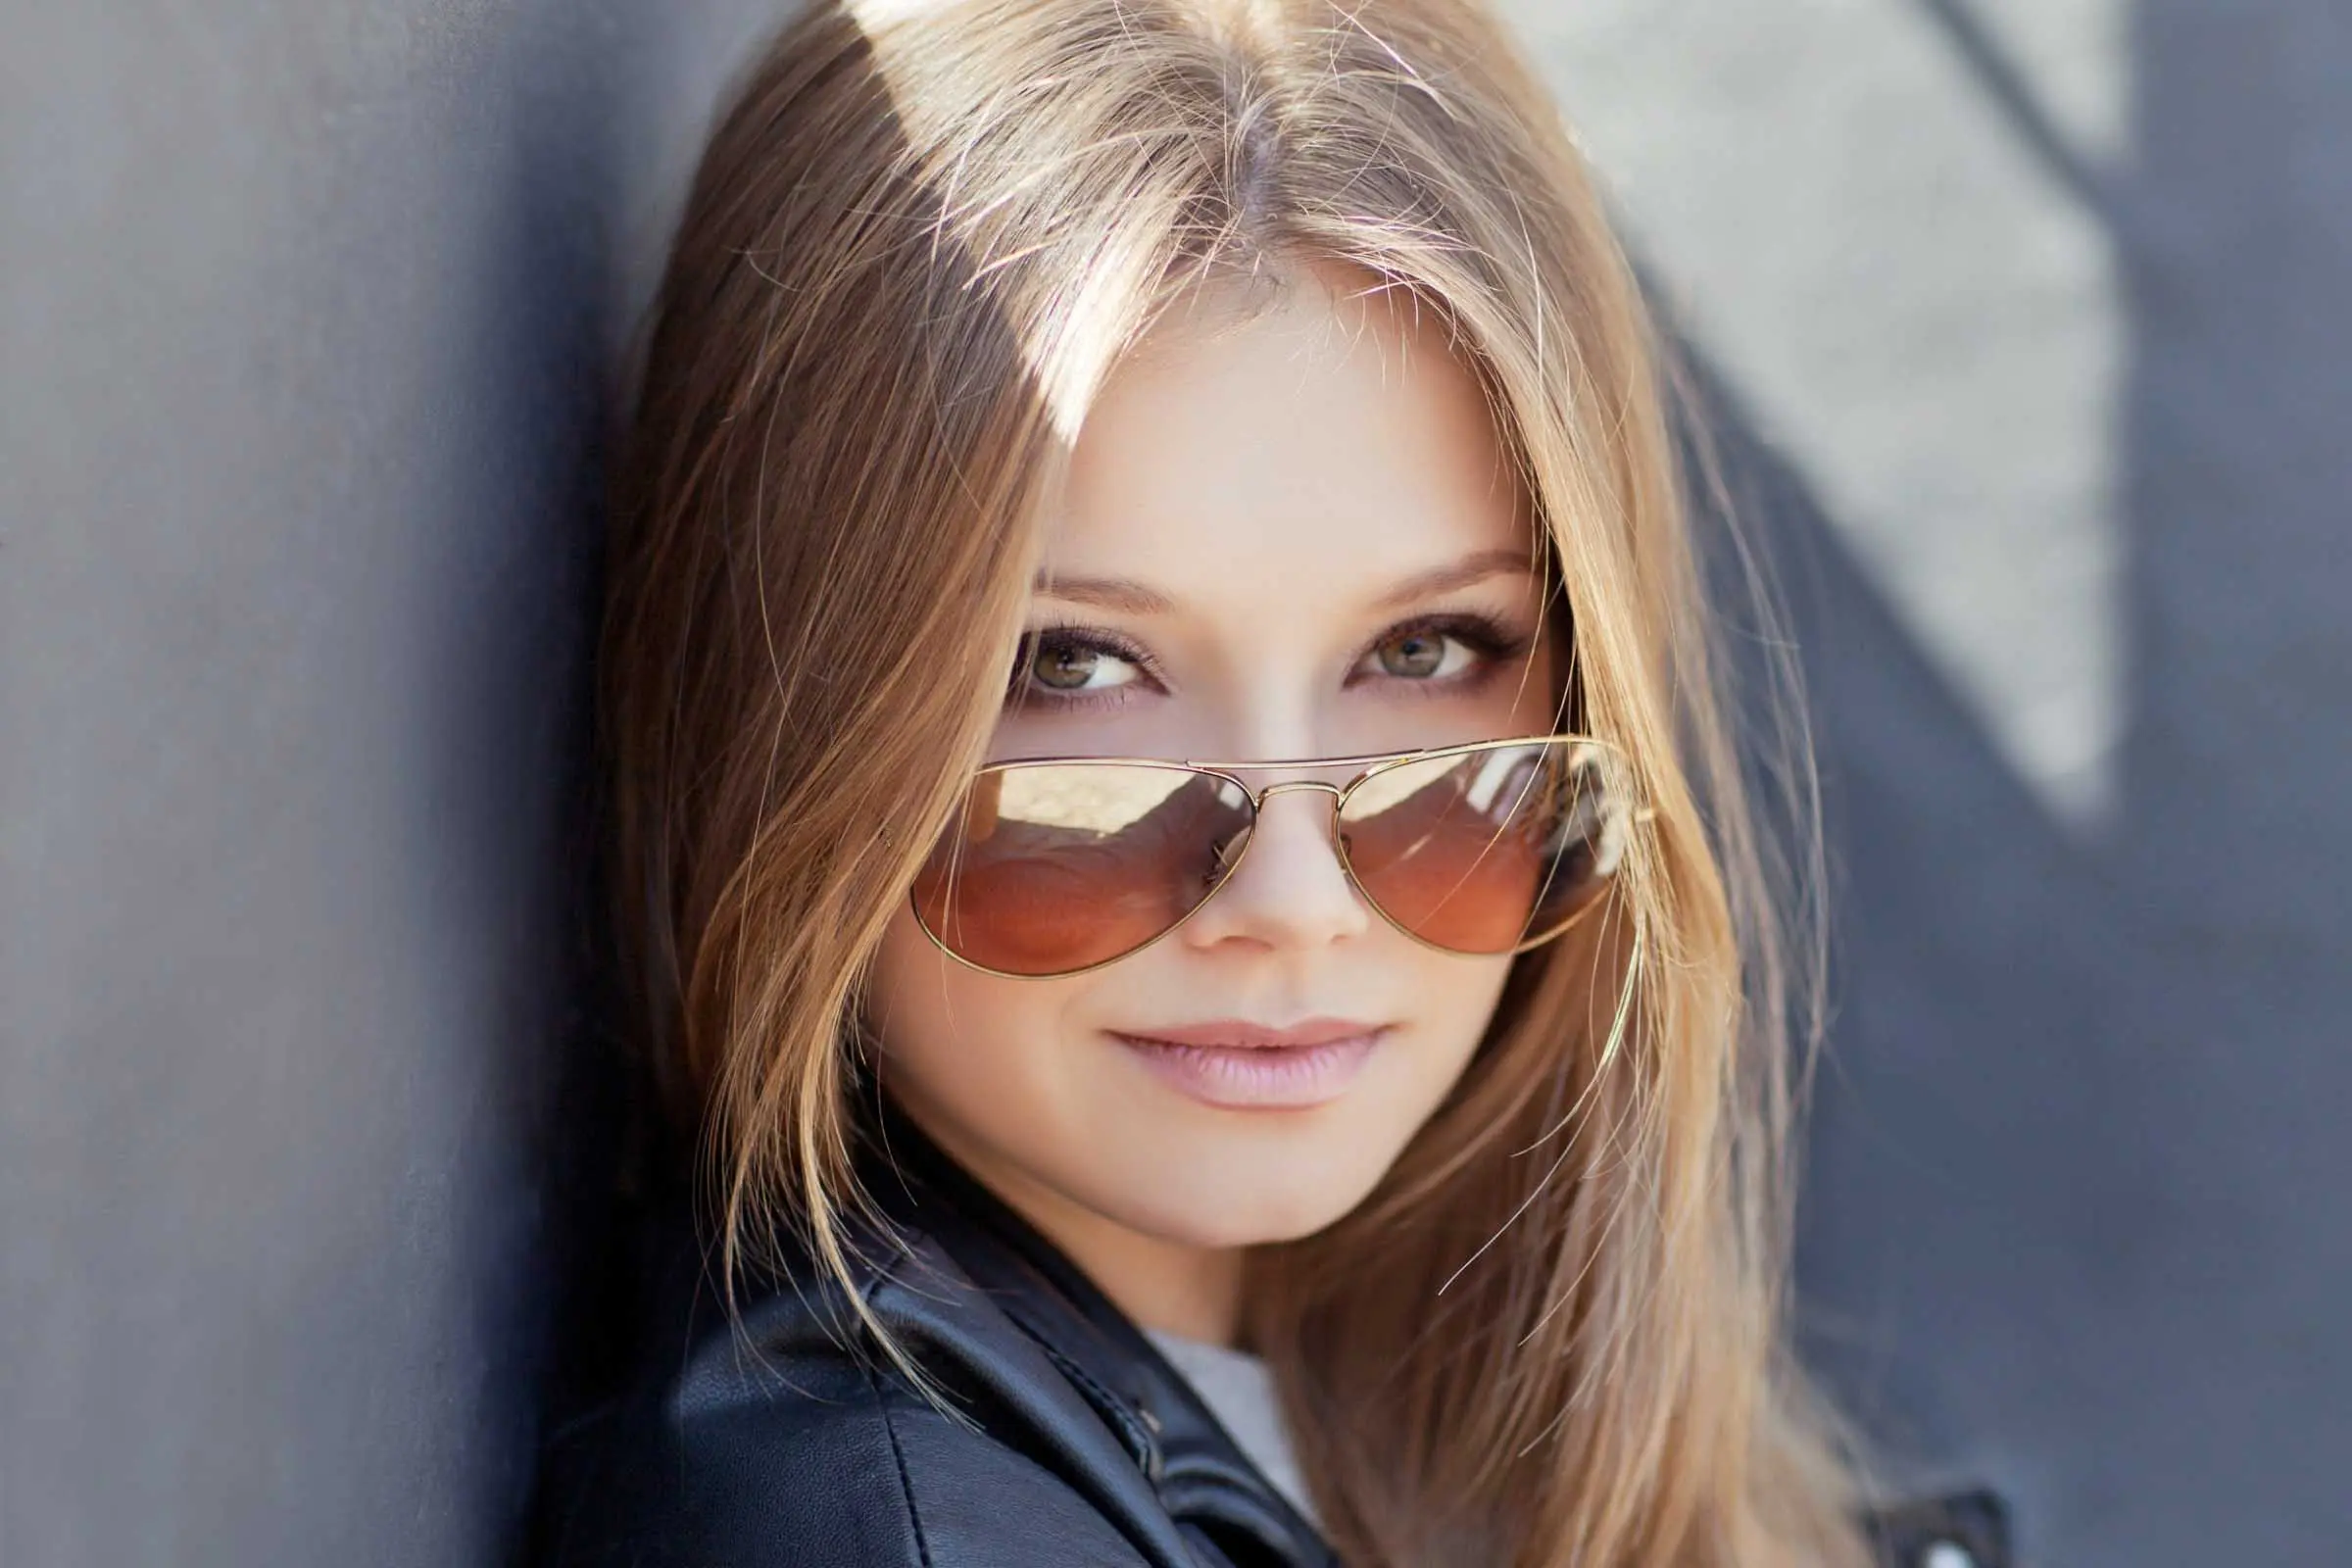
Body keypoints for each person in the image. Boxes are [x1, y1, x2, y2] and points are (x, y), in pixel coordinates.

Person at [536, 1, 2010, 1564]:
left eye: (1433, 646)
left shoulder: (1443, 1407)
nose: (1295, 905)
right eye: (1074, 666)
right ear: (783, 711)